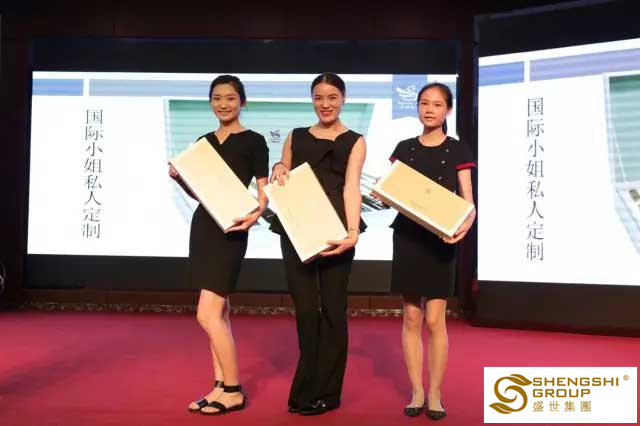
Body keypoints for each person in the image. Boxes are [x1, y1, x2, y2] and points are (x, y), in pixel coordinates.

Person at [169, 75, 269, 416]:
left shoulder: (254, 141)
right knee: (220, 313)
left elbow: (263, 192)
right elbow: (201, 193)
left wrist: (255, 215)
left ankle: (234, 390)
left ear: (242, 101)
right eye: (217, 98)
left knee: (206, 313)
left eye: (230, 98)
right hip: (204, 226)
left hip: (232, 227)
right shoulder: (204, 142)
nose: (223, 104)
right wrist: (181, 180)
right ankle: (219, 386)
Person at [269, 72, 366, 416]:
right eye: (318, 98)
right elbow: (283, 171)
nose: (325, 104)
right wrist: (278, 165)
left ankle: (328, 392)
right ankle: (305, 390)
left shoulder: (355, 140)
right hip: (298, 228)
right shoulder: (295, 136)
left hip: (337, 229)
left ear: (343, 99)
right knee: (307, 311)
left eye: (332, 97)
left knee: (334, 311)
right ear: (312, 100)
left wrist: (352, 232)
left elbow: (352, 187)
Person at [384, 82, 475, 420]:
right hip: (408, 237)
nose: (429, 109)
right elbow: (391, 189)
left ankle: (435, 392)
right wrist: (383, 193)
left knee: (435, 319)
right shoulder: (404, 148)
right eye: (424, 103)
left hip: (439, 239)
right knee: (411, 316)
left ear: (447, 110)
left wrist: (464, 225)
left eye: (437, 104)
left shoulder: (458, 149)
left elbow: (468, 202)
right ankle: (416, 390)